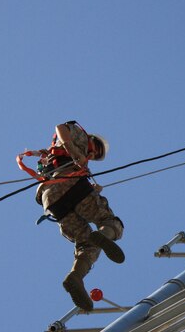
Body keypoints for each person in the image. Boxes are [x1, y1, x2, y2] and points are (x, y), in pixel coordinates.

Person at [29, 121, 125, 311]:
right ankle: (104, 234)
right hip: (71, 183)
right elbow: (61, 127)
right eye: (97, 150)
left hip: (51, 200)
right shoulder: (80, 136)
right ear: (93, 140)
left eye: (97, 156)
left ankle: (76, 277)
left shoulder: (59, 155)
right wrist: (73, 150)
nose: (94, 155)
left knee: (87, 243)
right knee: (110, 222)